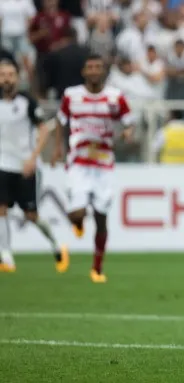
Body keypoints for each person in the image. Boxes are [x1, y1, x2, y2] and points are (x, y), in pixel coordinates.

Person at [51, 54, 135, 283]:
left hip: (104, 163)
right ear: (84, 72)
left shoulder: (115, 97)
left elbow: (129, 122)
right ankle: (77, 222)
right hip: (78, 162)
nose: (95, 71)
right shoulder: (72, 95)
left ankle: (97, 268)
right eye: (91, 67)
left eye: (99, 67)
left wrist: (128, 133)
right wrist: (58, 148)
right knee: (79, 212)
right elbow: (60, 120)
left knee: (101, 217)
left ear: (104, 72)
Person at [0, 60, 69, 273]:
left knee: (31, 215)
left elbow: (44, 130)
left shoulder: (27, 102)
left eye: (11, 74)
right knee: (0, 209)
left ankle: (56, 245)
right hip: (2, 164)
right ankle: (6, 257)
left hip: (25, 166)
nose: (7, 78)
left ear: (17, 78)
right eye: (3, 74)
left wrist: (33, 158)